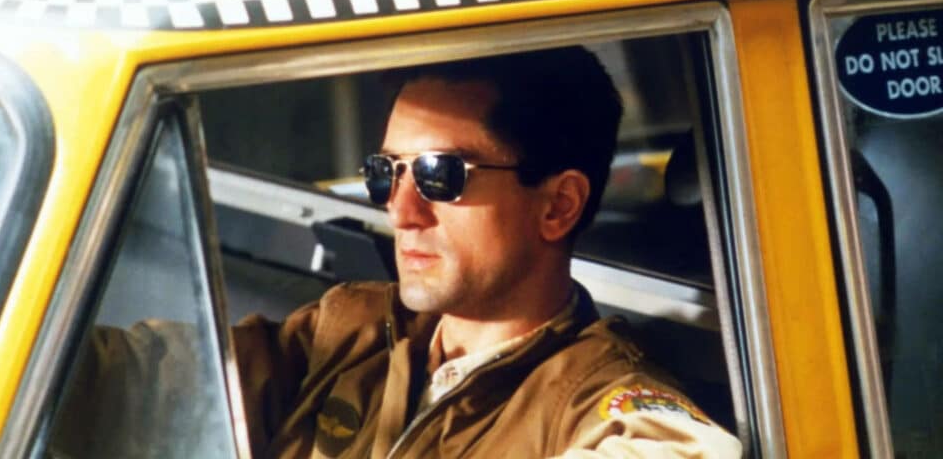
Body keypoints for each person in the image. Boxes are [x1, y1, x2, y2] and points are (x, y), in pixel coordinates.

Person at [232, 47, 743, 458]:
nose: (401, 212)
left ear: (558, 206)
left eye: (439, 175)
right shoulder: (347, 330)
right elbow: (194, 383)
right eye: (385, 173)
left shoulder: (595, 400)